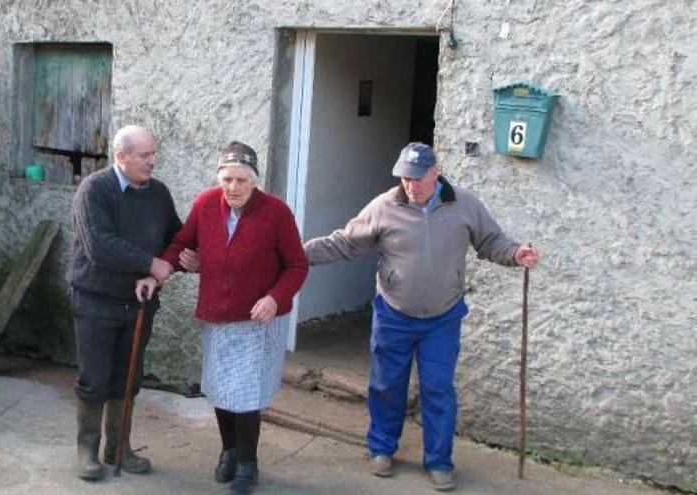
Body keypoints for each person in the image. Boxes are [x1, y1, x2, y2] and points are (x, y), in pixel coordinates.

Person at [302, 142, 539, 491]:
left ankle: (439, 461)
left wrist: (515, 253)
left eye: (417, 178)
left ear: (435, 173)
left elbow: (491, 241)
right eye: (405, 178)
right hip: (393, 314)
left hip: (443, 317)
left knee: (438, 389)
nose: (410, 185)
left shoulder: (465, 205)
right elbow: (345, 243)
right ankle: (381, 449)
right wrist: (298, 253)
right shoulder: (384, 206)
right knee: (386, 385)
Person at [136, 141, 308, 494]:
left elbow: (297, 265)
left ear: (254, 181)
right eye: (227, 179)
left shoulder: (276, 212)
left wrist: (275, 298)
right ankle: (228, 451)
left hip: (257, 318)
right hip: (218, 314)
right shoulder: (206, 204)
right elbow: (181, 244)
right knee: (221, 388)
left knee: (245, 394)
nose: (233, 187)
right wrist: (158, 273)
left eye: (241, 180)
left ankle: (248, 463)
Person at [67, 125, 190, 481]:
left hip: (139, 304)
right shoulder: (94, 190)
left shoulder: (158, 193)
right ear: (121, 156)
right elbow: (99, 245)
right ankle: (87, 450)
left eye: (154, 154)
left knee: (128, 378)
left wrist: (184, 258)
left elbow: (175, 237)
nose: (152, 161)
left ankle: (118, 447)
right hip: (96, 301)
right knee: (94, 379)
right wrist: (150, 263)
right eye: (145, 155)